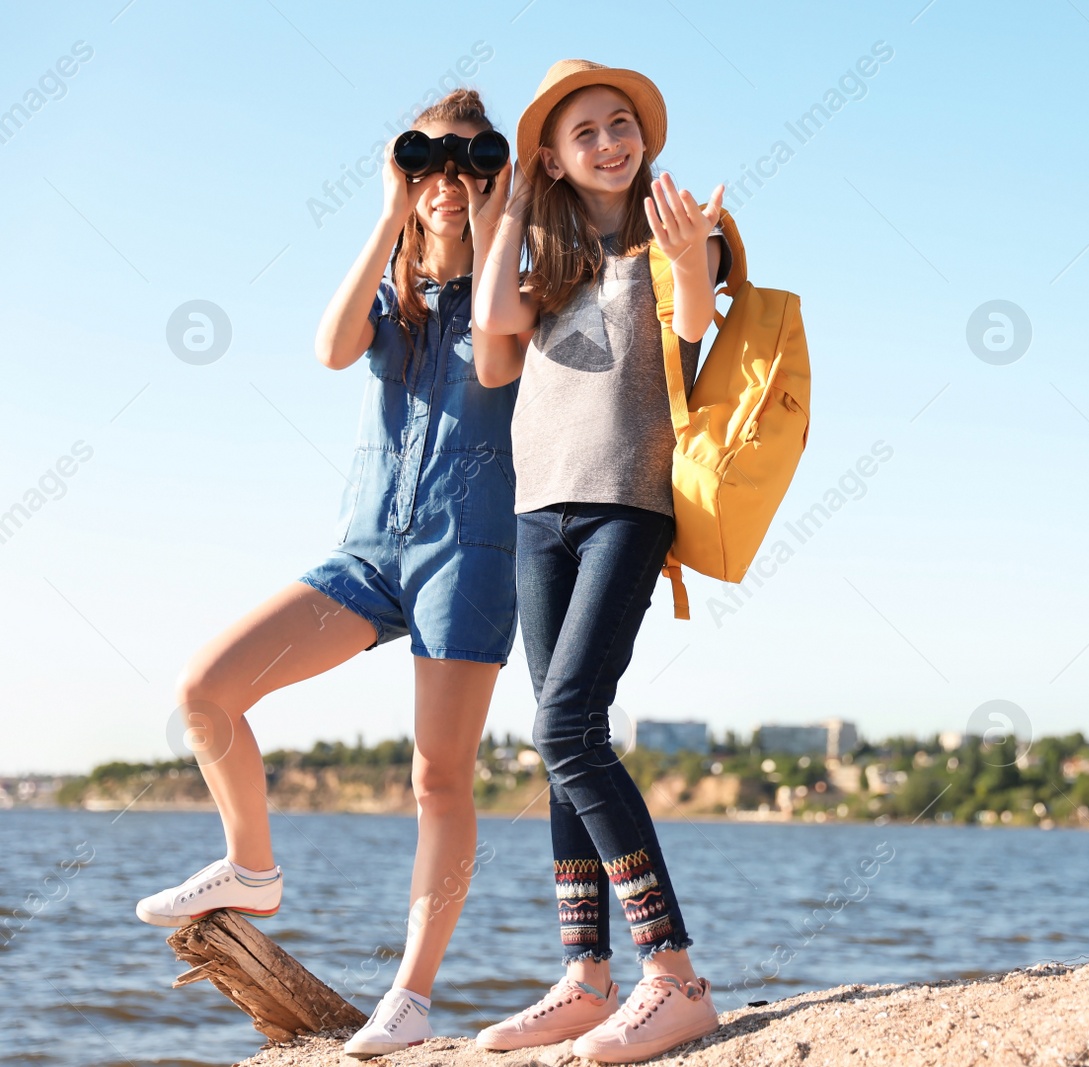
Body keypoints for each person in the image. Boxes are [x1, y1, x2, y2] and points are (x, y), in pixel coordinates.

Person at [134, 88, 526, 1059]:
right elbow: (328, 347)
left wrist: (491, 209)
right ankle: (253, 866)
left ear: (494, 173)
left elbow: (495, 361)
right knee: (206, 689)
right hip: (367, 551)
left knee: (437, 777)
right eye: (428, 160)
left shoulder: (516, 290)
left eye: (468, 161)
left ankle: (413, 992)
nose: (447, 179)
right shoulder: (392, 294)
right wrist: (393, 207)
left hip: (465, 554)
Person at [470, 59, 728, 1063]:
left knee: (565, 722)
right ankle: (585, 973)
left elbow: (698, 329)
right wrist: (506, 200)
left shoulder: (675, 227)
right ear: (553, 155)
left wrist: (693, 257)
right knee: (556, 742)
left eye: (622, 124)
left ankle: (673, 973)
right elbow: (494, 323)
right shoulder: (546, 248)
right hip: (540, 508)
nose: (612, 141)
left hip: (629, 500)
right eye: (586, 132)